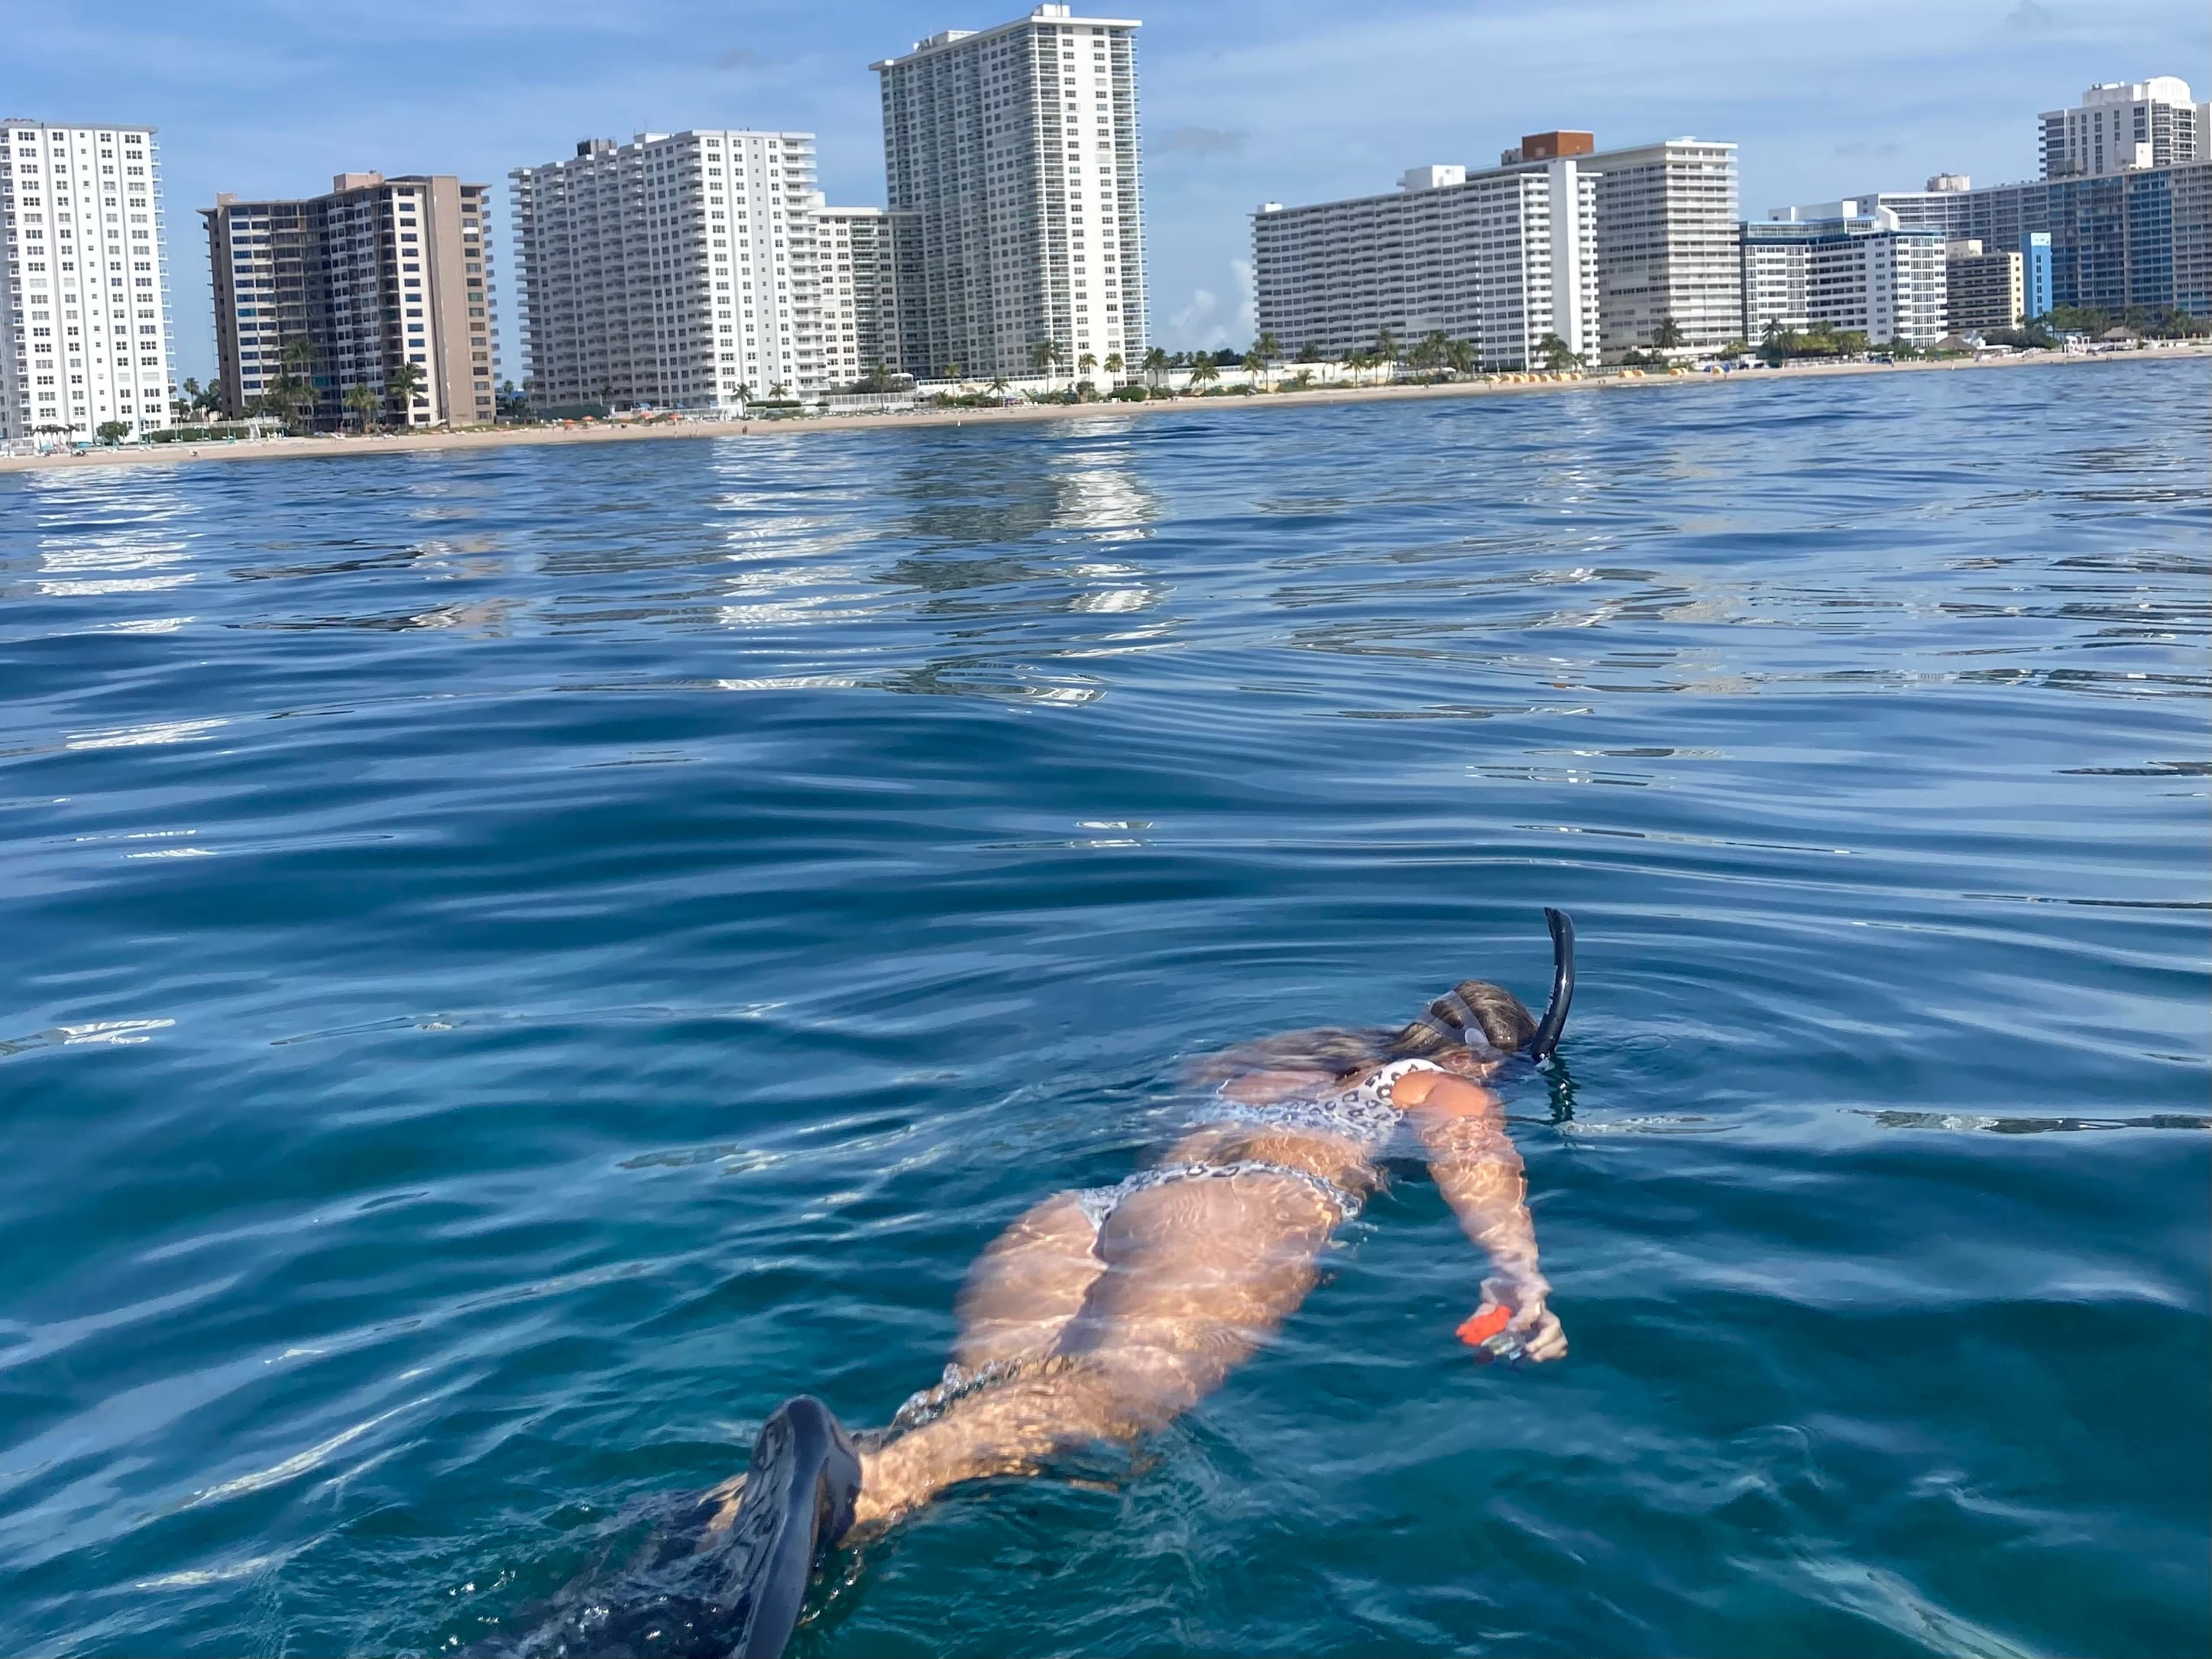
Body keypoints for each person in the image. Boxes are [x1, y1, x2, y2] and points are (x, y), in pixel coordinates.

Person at [513, 913, 1574, 1659]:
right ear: (1492, 1057)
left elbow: (1164, 1098)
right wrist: (1520, 1276)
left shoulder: (1279, 1053)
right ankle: (860, 1493)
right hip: (1238, 1213)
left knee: (979, 1402)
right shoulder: (1449, 1091)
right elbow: (1483, 1173)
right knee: (1105, 1399)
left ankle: (699, 1541)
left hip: (1087, 1210)